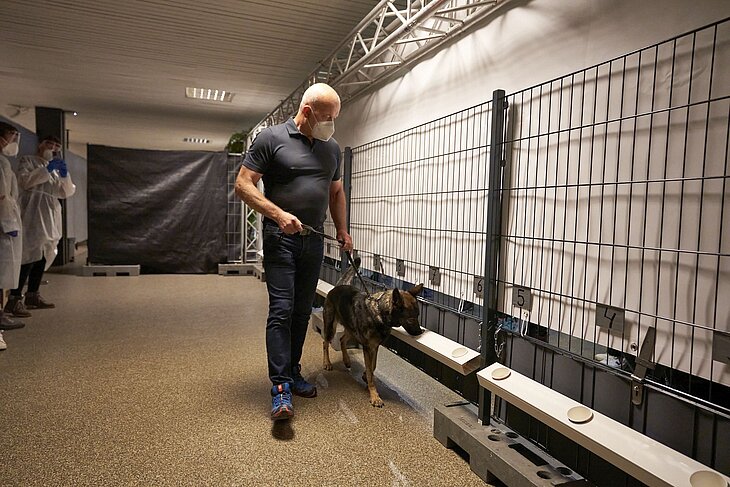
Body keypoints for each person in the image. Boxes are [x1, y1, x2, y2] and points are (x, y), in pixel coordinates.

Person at [235, 83, 353, 420]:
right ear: (306, 112)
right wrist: (277, 214)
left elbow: (336, 192)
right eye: (327, 117)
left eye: (335, 118)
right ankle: (280, 387)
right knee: (282, 310)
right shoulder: (270, 139)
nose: (331, 124)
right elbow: (243, 184)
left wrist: (342, 229)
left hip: (312, 241)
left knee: (302, 311)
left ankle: (294, 371)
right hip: (280, 238)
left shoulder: (331, 149)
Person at [3, 135, 75, 318]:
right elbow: (25, 182)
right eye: (49, 144)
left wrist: (65, 176)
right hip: (32, 212)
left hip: (50, 213)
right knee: (29, 256)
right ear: (40, 145)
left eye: (57, 145)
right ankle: (14, 298)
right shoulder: (28, 161)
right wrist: (46, 170)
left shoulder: (56, 170)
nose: (53, 148)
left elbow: (64, 192)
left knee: (44, 253)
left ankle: (33, 294)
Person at [0, 121, 25, 346]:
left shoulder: (4, 163)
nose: (12, 142)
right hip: (3, 223)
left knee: (4, 271)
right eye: (10, 136)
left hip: (6, 221)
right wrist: (8, 222)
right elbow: (2, 197)